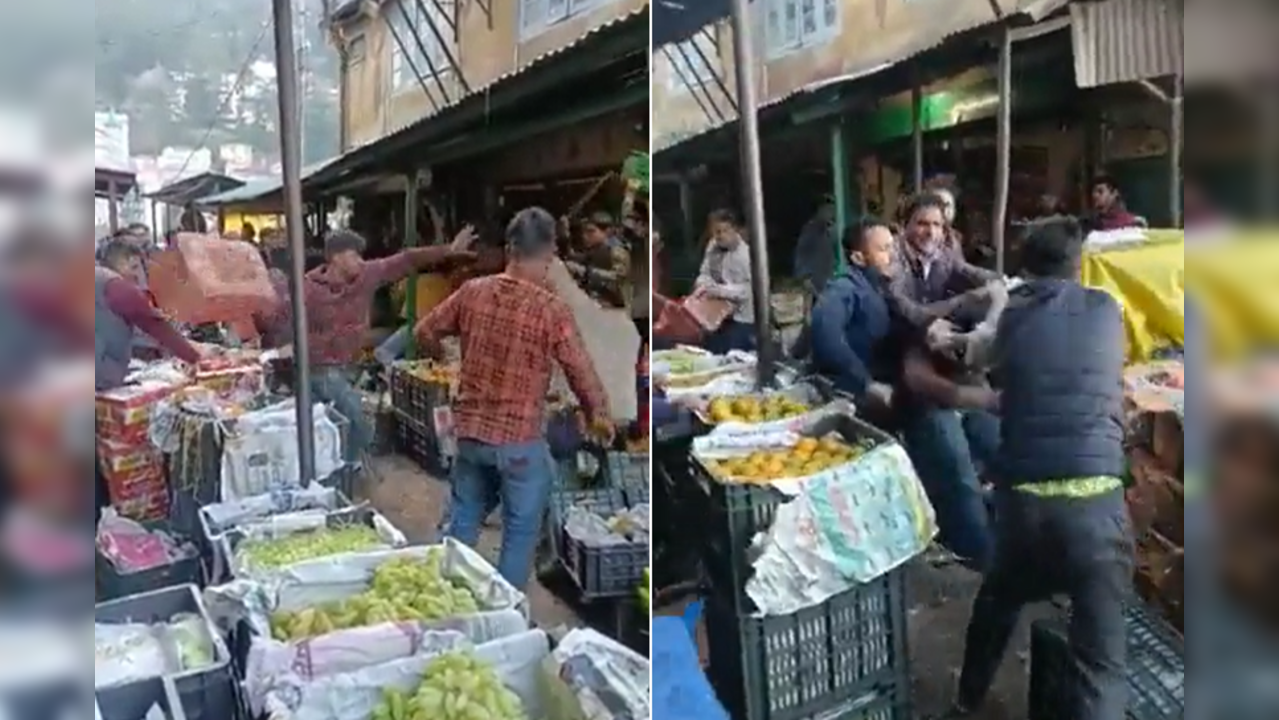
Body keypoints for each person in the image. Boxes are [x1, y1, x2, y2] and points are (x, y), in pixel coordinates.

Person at [939, 218, 1130, 720]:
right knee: (1099, 665)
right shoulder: (1108, 310)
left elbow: (981, 363)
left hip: (1024, 506)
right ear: (1078, 263)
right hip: (1097, 508)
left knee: (998, 601)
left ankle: (965, 704)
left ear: (1025, 264)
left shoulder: (1011, 316)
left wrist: (952, 336)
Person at [414, 208, 611, 589]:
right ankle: (506, 614)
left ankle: (448, 600)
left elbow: (425, 332)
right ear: (550, 254)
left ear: (509, 249)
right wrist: (597, 415)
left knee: (464, 518)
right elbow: (582, 375)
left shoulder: (472, 292)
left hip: (470, 435)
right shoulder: (552, 309)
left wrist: (452, 360)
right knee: (520, 532)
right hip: (519, 442)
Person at [301, 227, 476, 465]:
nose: (360, 261)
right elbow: (287, 320)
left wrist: (448, 250)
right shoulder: (309, 289)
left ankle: (340, 465)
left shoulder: (365, 275)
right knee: (358, 418)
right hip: (319, 368)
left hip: (347, 364)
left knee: (331, 421)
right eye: (354, 255)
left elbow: (405, 260)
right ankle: (347, 467)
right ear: (336, 257)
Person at [810, 217, 896, 407]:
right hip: (849, 397)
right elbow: (825, 333)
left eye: (893, 247)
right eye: (883, 249)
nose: (893, 255)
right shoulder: (845, 288)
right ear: (858, 258)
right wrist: (866, 382)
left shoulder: (882, 286)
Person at [887, 192, 1001, 331]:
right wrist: (963, 300)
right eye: (922, 224)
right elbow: (903, 308)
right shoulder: (892, 254)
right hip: (900, 339)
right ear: (905, 225)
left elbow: (966, 270)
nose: (931, 232)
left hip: (933, 334)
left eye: (937, 225)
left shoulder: (944, 253)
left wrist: (1001, 281)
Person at [695, 209, 755, 354]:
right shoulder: (712, 246)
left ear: (735, 230)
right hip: (715, 316)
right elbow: (705, 271)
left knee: (733, 356)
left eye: (724, 231)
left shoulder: (745, 255)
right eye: (716, 232)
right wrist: (702, 284)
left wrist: (718, 290)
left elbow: (748, 290)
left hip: (741, 318)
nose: (720, 236)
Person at [566, 211, 632, 311]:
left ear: (607, 231)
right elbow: (580, 258)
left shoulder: (617, 251)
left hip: (616, 306)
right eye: (584, 232)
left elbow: (619, 277)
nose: (585, 236)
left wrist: (587, 272)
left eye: (591, 232)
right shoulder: (596, 248)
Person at [793, 195, 838, 299]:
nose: (831, 213)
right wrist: (806, 280)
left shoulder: (830, 230)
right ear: (820, 210)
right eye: (828, 209)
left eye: (832, 210)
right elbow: (800, 257)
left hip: (829, 284)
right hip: (815, 287)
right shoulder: (810, 231)